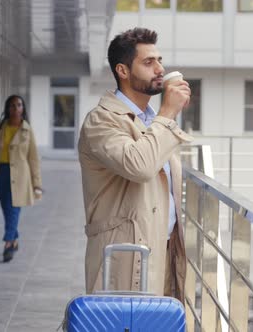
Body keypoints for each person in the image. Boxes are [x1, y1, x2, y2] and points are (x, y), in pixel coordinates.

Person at [77, 28, 193, 302]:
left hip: (162, 252)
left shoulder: (151, 120)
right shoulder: (102, 120)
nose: (159, 69)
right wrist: (167, 114)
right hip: (124, 257)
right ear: (123, 71)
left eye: (159, 60)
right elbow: (140, 166)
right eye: (148, 62)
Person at [0, 95, 42, 262]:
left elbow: (33, 158)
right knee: (7, 209)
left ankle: (9, 243)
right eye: (12, 105)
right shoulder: (1, 127)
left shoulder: (27, 130)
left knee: (13, 209)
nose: (15, 108)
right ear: (7, 108)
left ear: (23, 108)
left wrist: (37, 184)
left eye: (19, 105)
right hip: (1, 173)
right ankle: (14, 238)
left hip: (19, 176)